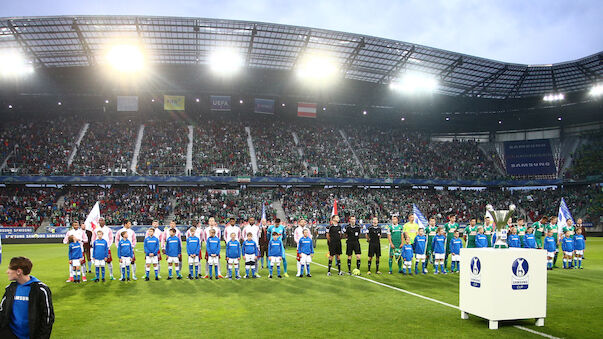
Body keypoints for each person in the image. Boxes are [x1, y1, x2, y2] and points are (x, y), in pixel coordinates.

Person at [0, 256, 54, 339]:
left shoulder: (41, 290)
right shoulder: (10, 289)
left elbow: (48, 317)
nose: (7, 272)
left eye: (10, 269)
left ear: (18, 271)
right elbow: (2, 312)